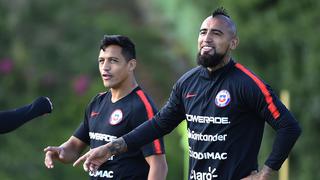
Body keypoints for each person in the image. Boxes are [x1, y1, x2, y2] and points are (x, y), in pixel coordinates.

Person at [73, 8, 301, 180]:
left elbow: (289, 126)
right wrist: (110, 148)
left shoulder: (247, 84)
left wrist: (265, 173)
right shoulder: (187, 83)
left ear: (233, 42)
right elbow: (159, 124)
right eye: (203, 32)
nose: (207, 38)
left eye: (216, 33)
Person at [44, 35, 167, 180]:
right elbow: (74, 147)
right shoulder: (98, 102)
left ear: (131, 65)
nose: (105, 67)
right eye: (101, 61)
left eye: (113, 61)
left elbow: (159, 166)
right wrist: (60, 152)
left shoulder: (141, 107)